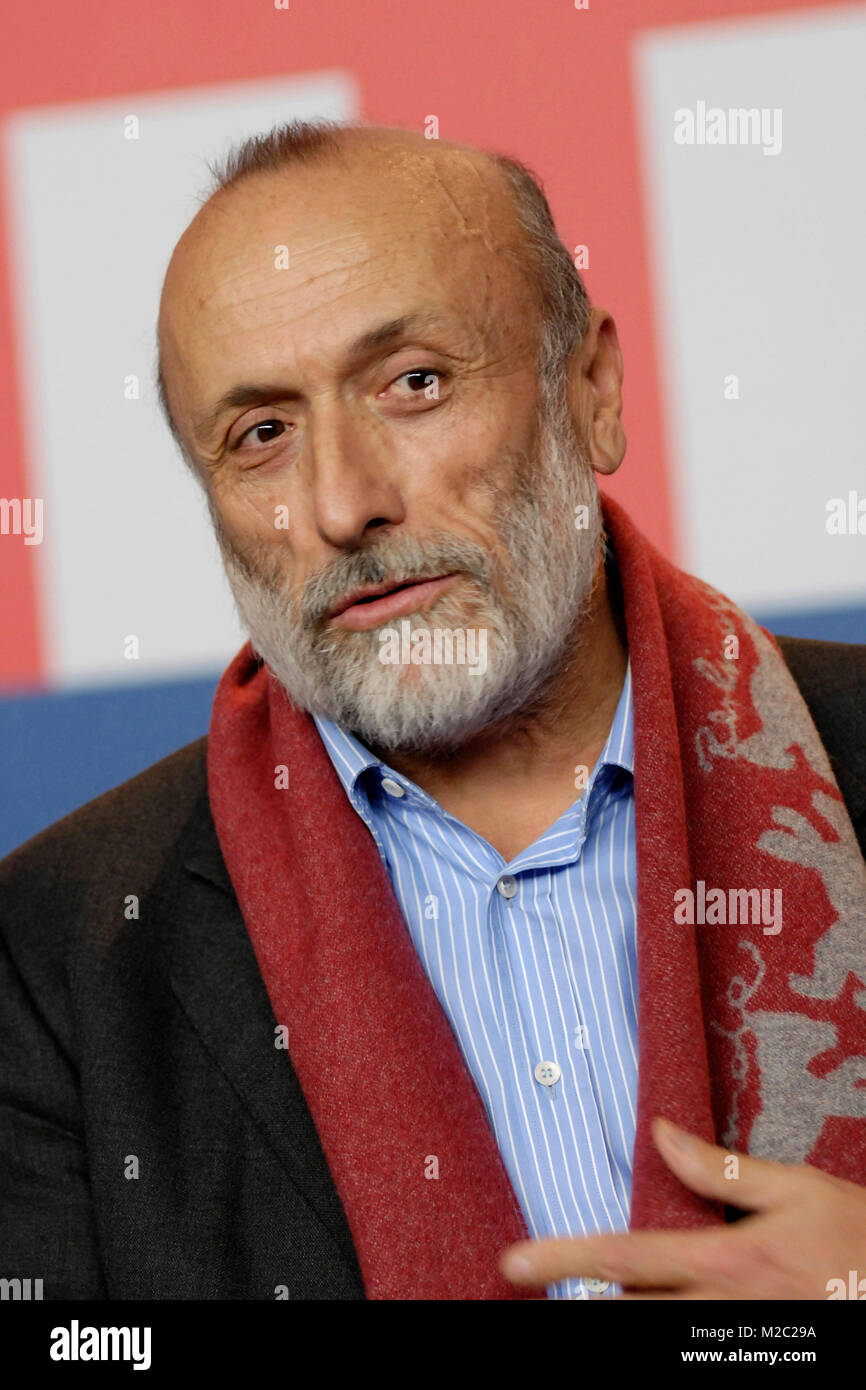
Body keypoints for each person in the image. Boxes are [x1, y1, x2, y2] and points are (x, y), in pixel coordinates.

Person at [1, 120, 864, 1302]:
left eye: (413, 382)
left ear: (592, 390)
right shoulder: (50, 954)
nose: (344, 502)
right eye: (261, 434)